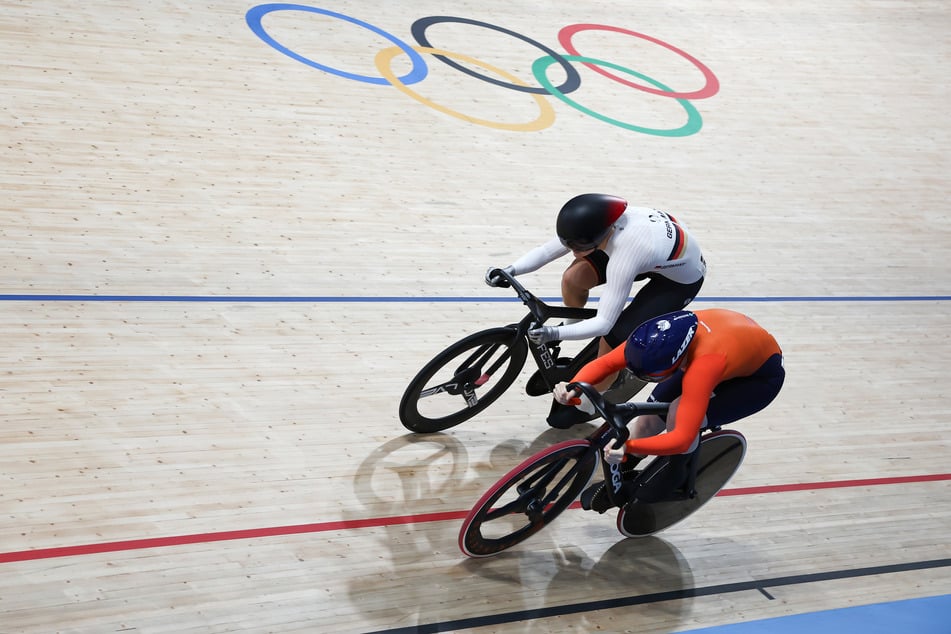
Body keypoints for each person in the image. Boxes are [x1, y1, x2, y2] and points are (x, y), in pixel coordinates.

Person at [485, 193, 707, 428]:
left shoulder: (627, 250)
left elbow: (604, 323)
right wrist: (510, 269)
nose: (572, 252)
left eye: (579, 246)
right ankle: (572, 325)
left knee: (611, 339)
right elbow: (547, 251)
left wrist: (552, 334)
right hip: (656, 253)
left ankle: (589, 403)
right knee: (573, 278)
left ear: (599, 235)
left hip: (677, 280)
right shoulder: (595, 222)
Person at [553, 308, 784, 512]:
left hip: (758, 380)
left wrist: (630, 445)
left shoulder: (703, 365)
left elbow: (681, 439)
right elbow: (607, 363)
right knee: (646, 423)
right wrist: (573, 386)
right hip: (730, 347)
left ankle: (676, 475)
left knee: (677, 412)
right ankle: (623, 473)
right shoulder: (652, 336)